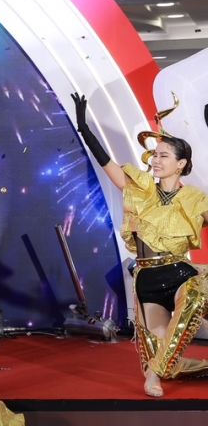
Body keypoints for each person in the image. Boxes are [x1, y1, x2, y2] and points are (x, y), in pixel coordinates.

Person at [72, 92, 208, 398]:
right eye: (155, 154)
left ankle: (153, 376)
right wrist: (85, 129)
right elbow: (107, 164)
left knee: (194, 297)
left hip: (179, 273)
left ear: (181, 164)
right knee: (166, 355)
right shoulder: (139, 188)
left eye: (164, 156)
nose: (155, 160)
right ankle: (165, 370)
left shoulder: (196, 198)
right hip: (147, 277)